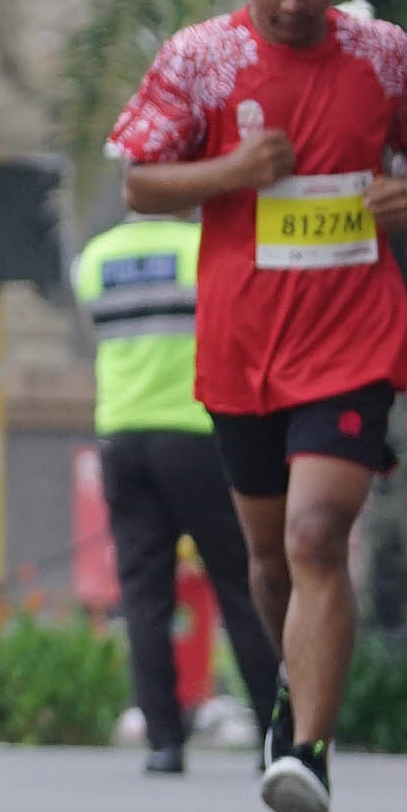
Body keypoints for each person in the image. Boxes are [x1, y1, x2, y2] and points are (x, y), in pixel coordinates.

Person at [109, 0, 407, 812]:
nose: (292, 3)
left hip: (353, 337)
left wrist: (405, 194)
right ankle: (292, 686)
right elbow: (139, 184)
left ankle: (305, 757)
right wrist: (233, 171)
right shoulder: (198, 60)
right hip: (242, 349)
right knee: (268, 557)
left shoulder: (385, 56)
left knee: (317, 535)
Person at [70, 208, 280, 772]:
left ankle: (163, 742)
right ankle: (273, 736)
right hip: (196, 433)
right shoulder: (202, 248)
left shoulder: (97, 258)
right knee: (239, 584)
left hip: (122, 435)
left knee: (144, 595)